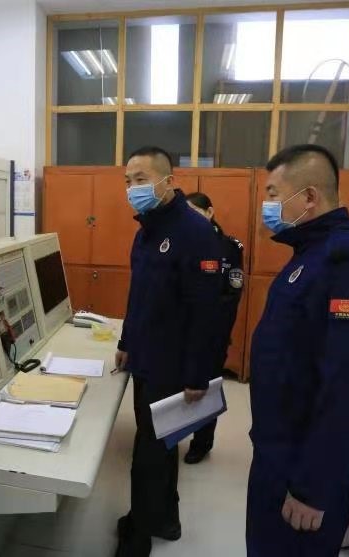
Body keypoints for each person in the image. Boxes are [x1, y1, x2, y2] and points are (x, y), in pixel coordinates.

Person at [247, 144, 349, 556]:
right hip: (277, 453)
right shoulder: (313, 253)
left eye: (274, 193)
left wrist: (313, 487)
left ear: (309, 196)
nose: (267, 205)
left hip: (304, 470)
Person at [115, 146, 222, 557]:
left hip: (172, 364)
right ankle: (166, 520)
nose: (132, 188)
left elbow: (206, 312)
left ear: (168, 181)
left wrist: (197, 375)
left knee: (149, 452)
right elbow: (139, 296)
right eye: (128, 181)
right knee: (160, 445)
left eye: (141, 179)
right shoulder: (147, 230)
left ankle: (137, 535)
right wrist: (126, 342)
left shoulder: (194, 232)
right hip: (146, 357)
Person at [184, 192, 244, 464]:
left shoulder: (230, 248)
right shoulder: (184, 241)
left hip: (213, 332)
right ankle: (172, 434)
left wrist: (211, 327)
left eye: (195, 213)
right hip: (183, 330)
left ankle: (202, 443)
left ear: (210, 212)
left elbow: (232, 294)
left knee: (207, 387)